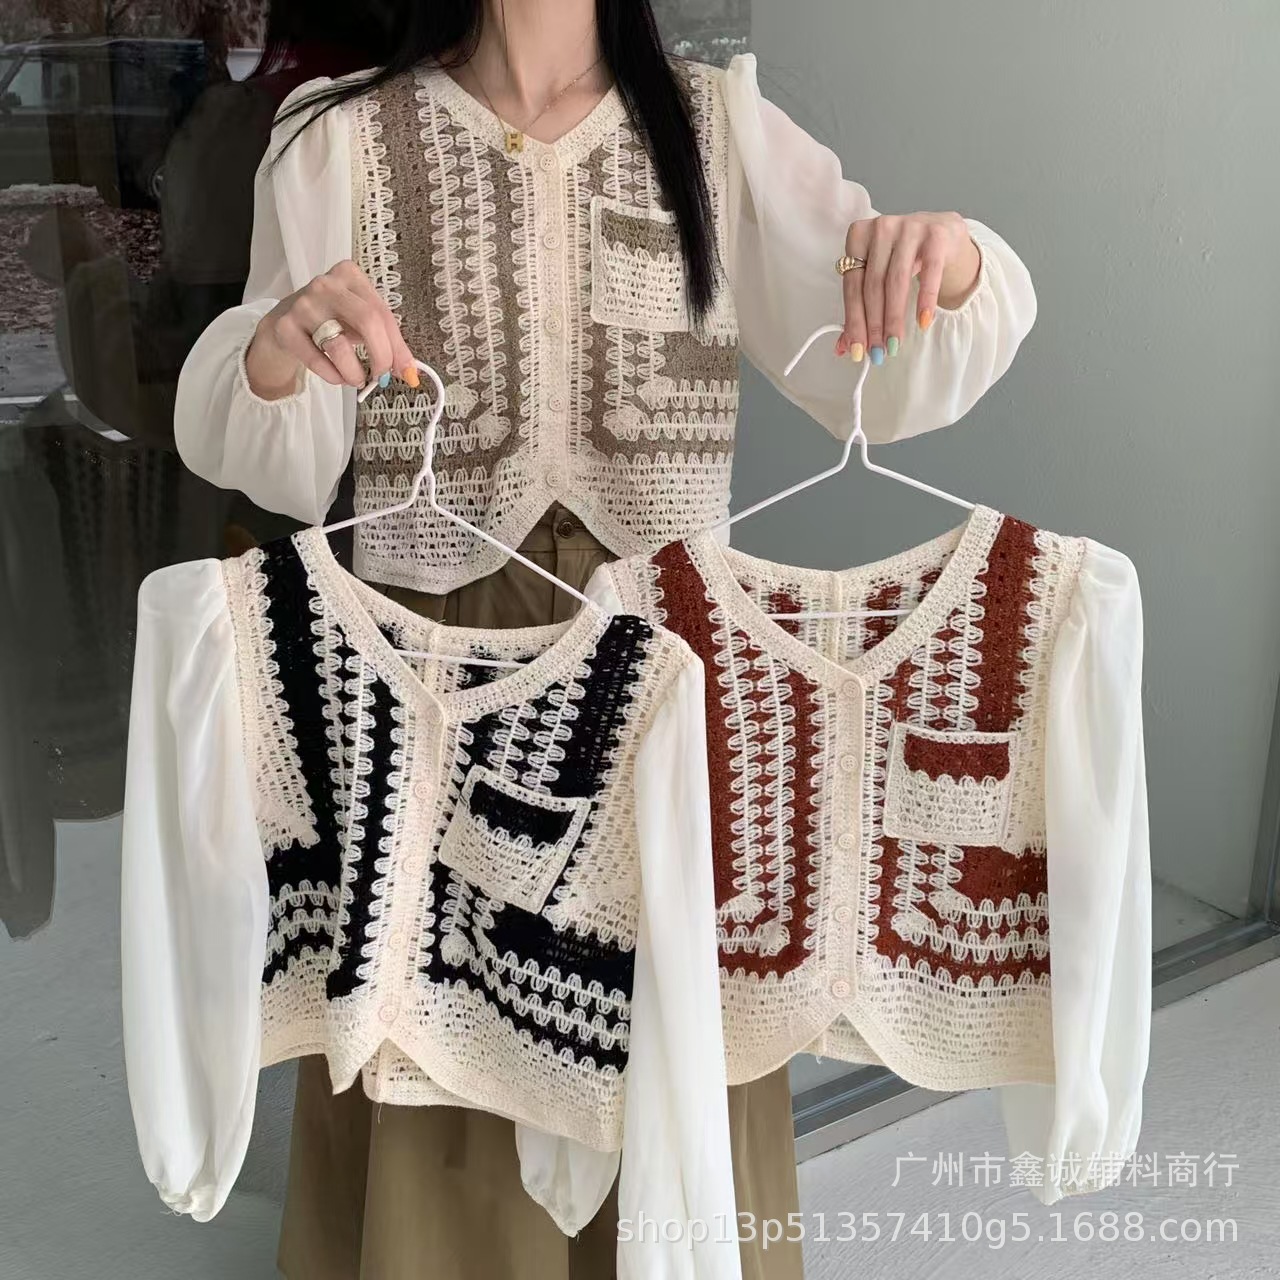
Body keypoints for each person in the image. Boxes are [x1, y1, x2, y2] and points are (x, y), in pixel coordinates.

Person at [173, 2, 1037, 1277]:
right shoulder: (337, 137)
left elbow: (880, 368)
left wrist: (948, 263)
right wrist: (273, 354)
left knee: (668, 1035)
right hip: (440, 682)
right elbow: (283, 455)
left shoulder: (720, 130)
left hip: (662, 684)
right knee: (446, 1036)